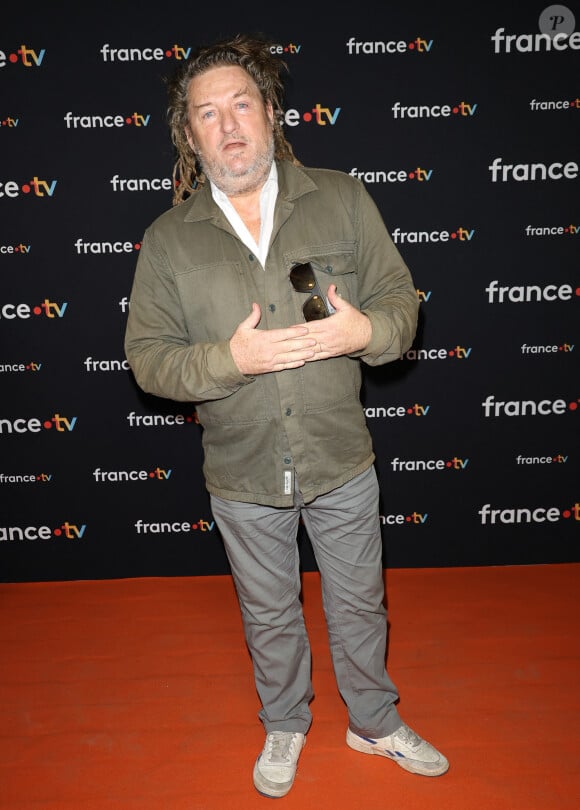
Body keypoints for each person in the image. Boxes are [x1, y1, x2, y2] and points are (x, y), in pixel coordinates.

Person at [124, 34, 449, 799]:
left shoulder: (341, 196)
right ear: (191, 135)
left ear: (271, 114)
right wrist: (230, 361)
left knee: (360, 601)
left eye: (242, 104)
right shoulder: (169, 240)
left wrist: (363, 331)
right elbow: (148, 359)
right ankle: (285, 723)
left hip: (340, 455)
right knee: (269, 614)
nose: (228, 124)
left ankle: (372, 721)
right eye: (208, 114)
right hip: (241, 470)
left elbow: (401, 303)